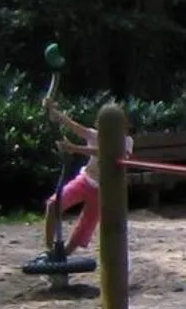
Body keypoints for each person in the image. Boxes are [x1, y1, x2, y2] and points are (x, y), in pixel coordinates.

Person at [41, 98, 130, 255]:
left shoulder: (126, 141)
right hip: (85, 180)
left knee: (85, 227)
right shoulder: (94, 135)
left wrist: (74, 148)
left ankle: (64, 254)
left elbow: (108, 153)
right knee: (53, 204)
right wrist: (52, 110)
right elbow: (71, 124)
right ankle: (49, 250)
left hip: (104, 190)